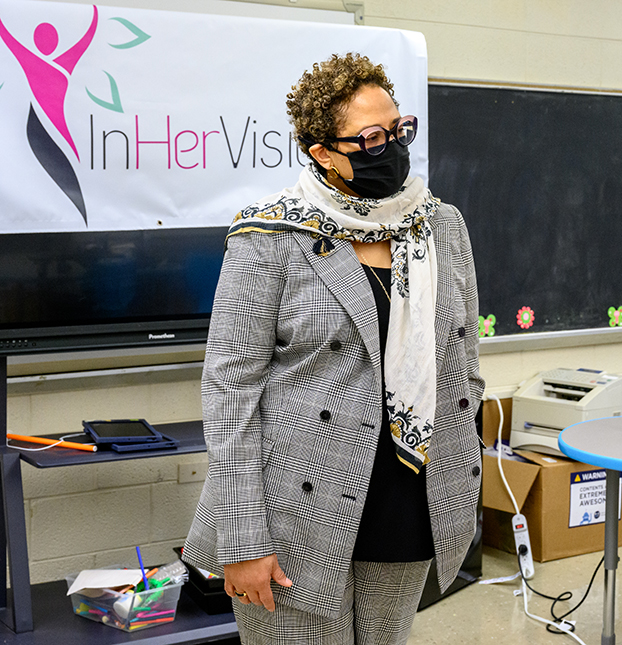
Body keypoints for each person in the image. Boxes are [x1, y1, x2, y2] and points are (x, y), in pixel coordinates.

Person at [182, 52, 484, 645]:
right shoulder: (271, 235)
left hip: (410, 494)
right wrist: (243, 538)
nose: (393, 148)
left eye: (399, 130)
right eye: (371, 138)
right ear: (323, 153)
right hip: (294, 509)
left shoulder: (440, 226)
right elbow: (229, 389)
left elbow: (462, 362)